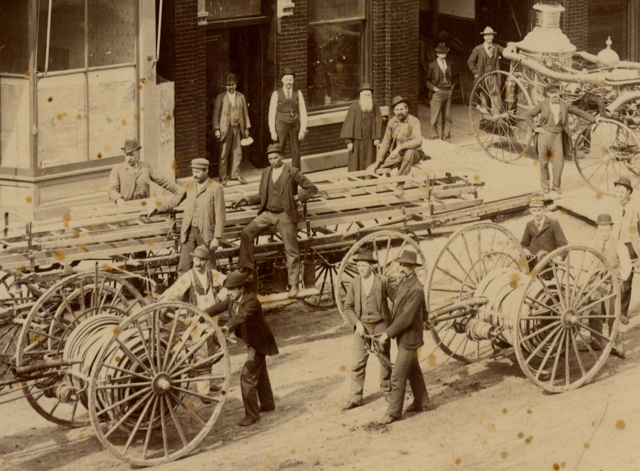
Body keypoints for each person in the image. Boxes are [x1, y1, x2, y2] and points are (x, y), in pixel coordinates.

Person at [234, 143, 318, 298]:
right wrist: (247, 199)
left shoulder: (292, 172)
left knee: (291, 250)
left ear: (282, 157)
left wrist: (297, 197)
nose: (273, 161)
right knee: (246, 233)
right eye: (270, 158)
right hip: (268, 214)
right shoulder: (266, 172)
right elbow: (261, 196)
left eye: (275, 158)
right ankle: (245, 270)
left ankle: (294, 285)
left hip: (285, 215)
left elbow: (312, 188)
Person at [206, 271, 279, 426]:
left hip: (260, 344)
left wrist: (226, 327)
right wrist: (201, 314)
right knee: (260, 373)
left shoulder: (251, 301)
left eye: (232, 289)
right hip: (252, 342)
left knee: (247, 376)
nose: (230, 292)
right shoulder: (233, 299)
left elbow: (241, 317)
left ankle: (252, 415)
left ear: (241, 288)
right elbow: (218, 307)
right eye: (228, 289)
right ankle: (267, 404)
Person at [161, 245, 228, 398]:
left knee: (211, 351)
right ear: (193, 259)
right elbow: (174, 291)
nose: (199, 263)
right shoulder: (188, 276)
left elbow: (229, 283)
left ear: (207, 261)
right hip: (196, 321)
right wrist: (164, 300)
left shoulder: (213, 274)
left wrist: (219, 298)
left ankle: (208, 383)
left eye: (203, 260)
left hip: (212, 318)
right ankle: (203, 391)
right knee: (201, 353)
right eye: (197, 260)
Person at [377, 250, 431, 425]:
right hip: (405, 337)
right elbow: (421, 309)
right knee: (413, 370)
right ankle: (422, 402)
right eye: (400, 264)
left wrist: (387, 333)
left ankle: (393, 413)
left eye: (403, 265)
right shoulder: (404, 282)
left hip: (409, 338)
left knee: (397, 376)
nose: (400, 267)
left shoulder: (416, 288)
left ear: (412, 267)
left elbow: (406, 316)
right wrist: (425, 317)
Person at [525, 82, 597, 195]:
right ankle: (545, 185)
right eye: (552, 93)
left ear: (559, 92)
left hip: (558, 136)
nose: (554, 95)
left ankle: (556, 186)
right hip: (544, 136)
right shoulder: (542, 104)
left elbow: (578, 112)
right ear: (548, 94)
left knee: (559, 164)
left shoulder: (564, 104)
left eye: (556, 92)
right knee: (543, 163)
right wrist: (535, 128)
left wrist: (593, 119)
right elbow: (528, 116)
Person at [342, 249, 393, 410]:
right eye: (358, 265)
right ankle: (355, 398)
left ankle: (387, 390)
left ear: (371, 266)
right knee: (357, 362)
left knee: (384, 360)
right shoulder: (354, 283)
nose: (360, 268)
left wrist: (392, 325)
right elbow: (347, 307)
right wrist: (357, 323)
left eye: (364, 265)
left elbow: (398, 300)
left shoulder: (382, 281)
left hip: (381, 326)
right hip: (362, 328)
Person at [585, 213, 630, 359]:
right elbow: (587, 262)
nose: (603, 233)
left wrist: (620, 279)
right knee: (595, 313)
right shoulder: (592, 243)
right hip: (596, 283)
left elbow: (626, 266)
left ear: (611, 230)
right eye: (601, 230)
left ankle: (617, 345)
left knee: (613, 314)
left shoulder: (619, 245)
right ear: (597, 230)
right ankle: (596, 341)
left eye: (606, 230)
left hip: (613, 284)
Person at [178, 158, 226, 276]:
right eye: (193, 171)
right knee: (184, 267)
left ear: (206, 170)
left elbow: (220, 215)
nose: (195, 175)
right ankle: (184, 294)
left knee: (208, 268)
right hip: (189, 233)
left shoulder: (216, 188)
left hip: (206, 235)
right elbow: (175, 200)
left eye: (198, 172)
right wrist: (157, 208)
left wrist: (217, 237)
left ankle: (211, 293)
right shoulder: (189, 185)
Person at [371, 96, 423, 197]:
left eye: (402, 109)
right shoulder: (392, 122)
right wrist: (379, 160)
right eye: (397, 110)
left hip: (414, 155)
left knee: (410, 152)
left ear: (407, 109)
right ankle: (363, 188)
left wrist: (400, 147)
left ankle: (400, 183)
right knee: (374, 168)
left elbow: (418, 141)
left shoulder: (414, 121)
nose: (399, 112)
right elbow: (386, 142)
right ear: (394, 111)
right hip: (397, 155)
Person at [108, 138, 185, 206]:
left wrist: (180, 190)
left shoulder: (146, 167)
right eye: (126, 155)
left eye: (131, 155)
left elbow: (163, 180)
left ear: (138, 153)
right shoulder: (117, 169)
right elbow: (112, 190)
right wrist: (118, 199)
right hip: (126, 208)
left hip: (144, 208)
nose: (129, 158)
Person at [213, 73, 251, 186]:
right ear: (225, 86)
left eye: (232, 85)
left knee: (237, 152)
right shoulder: (221, 97)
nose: (230, 87)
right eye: (228, 85)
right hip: (225, 129)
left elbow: (245, 113)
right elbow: (216, 114)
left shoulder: (241, 96)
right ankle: (223, 177)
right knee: (224, 153)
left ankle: (235, 175)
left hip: (238, 128)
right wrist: (216, 129)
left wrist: (246, 128)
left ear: (236, 85)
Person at [610, 177, 639, 324]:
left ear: (628, 192)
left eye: (622, 191)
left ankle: (622, 313)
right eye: (617, 191)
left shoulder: (634, 208)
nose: (619, 193)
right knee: (610, 278)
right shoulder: (610, 206)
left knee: (627, 281)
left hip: (629, 246)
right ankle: (608, 312)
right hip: (614, 244)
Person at [268, 67, 308, 169]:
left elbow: (303, 112)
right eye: (286, 79)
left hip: (295, 125)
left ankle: (296, 174)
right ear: (282, 80)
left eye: (290, 79)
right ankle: (277, 171)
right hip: (281, 125)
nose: (288, 82)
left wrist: (303, 129)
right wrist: (272, 131)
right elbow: (271, 114)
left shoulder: (298, 93)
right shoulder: (276, 94)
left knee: (296, 152)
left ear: (293, 81)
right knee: (278, 150)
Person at [340, 83, 383, 172]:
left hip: (370, 141)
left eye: (369, 95)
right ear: (360, 95)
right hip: (357, 142)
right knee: (356, 163)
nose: (367, 97)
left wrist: (377, 138)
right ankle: (355, 184)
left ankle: (369, 179)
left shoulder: (374, 106)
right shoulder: (354, 107)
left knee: (370, 161)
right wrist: (348, 142)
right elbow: (348, 124)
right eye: (365, 95)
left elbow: (379, 121)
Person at [520, 200, 568, 271]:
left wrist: (559, 257)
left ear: (543, 209)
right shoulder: (529, 225)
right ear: (530, 211)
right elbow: (524, 244)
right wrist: (525, 250)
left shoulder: (553, 224)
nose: (537, 214)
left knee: (548, 281)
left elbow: (563, 245)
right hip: (533, 263)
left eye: (539, 210)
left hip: (548, 264)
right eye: (534, 211)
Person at [467, 26, 504, 114]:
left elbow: (504, 51)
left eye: (490, 35)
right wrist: (476, 73)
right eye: (487, 35)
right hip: (483, 76)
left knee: (496, 97)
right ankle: (486, 119)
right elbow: (470, 61)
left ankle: (495, 118)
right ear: (483, 37)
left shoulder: (496, 47)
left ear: (493, 36)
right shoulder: (478, 49)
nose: (489, 37)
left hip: (494, 76)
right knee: (484, 98)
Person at [426, 43, 454, 141]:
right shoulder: (432, 65)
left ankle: (446, 137)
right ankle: (434, 137)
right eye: (441, 53)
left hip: (448, 92)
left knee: (447, 117)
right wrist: (434, 89)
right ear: (437, 53)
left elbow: (454, 78)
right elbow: (426, 80)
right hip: (437, 93)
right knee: (434, 117)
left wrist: (452, 88)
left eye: (445, 53)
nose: (443, 55)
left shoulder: (450, 64)